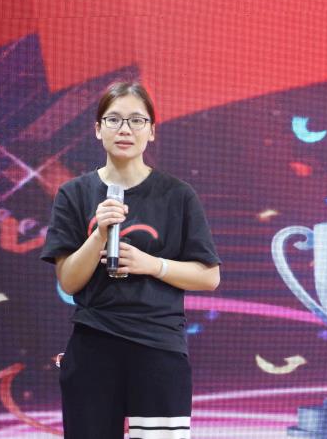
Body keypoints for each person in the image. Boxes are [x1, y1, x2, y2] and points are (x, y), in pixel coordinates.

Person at [40, 80, 221, 438]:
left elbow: (208, 276)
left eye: (137, 120)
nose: (125, 129)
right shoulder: (74, 194)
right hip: (93, 345)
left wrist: (152, 265)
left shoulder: (178, 195)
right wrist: (99, 234)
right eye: (114, 120)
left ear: (151, 131)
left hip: (159, 346)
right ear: (98, 129)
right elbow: (69, 281)